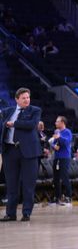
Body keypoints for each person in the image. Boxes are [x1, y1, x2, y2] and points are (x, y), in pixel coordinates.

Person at [1, 88, 42, 222]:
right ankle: (10, 213)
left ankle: (26, 213)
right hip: (10, 151)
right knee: (11, 185)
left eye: (28, 97)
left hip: (28, 153)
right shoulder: (8, 111)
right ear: (16, 99)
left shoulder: (35, 111)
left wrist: (14, 124)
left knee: (28, 185)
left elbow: (31, 125)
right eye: (24, 98)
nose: (27, 100)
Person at [50, 116, 73, 206]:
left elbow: (66, 142)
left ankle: (68, 196)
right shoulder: (57, 132)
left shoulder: (67, 132)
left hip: (64, 157)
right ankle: (57, 197)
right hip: (57, 157)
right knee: (56, 178)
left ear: (62, 122)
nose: (55, 123)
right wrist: (53, 146)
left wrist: (59, 137)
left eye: (57, 121)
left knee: (64, 176)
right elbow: (53, 142)